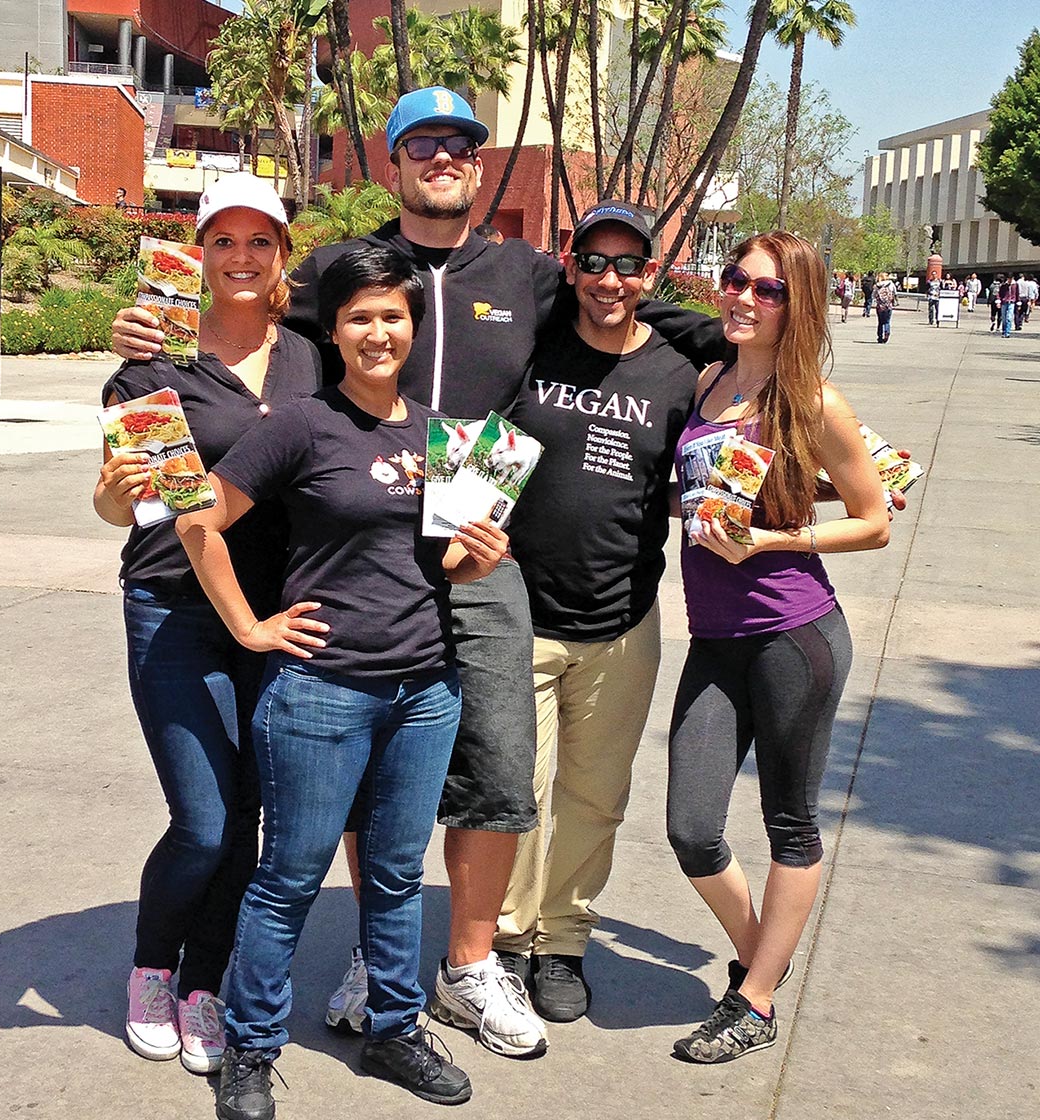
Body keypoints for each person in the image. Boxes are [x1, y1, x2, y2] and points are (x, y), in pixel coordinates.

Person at [111, 85, 720, 1060]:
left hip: (474, 509)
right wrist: (146, 333)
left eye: (460, 147)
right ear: (392, 163)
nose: (443, 158)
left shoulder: (526, 271)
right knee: (358, 765)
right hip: (353, 537)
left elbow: (639, 308)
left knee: (497, 761)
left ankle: (470, 962)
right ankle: (367, 951)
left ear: (479, 168)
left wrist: (749, 344)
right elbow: (237, 306)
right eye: (423, 144)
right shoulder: (334, 272)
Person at [177, 246, 510, 1117]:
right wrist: (250, 627)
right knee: (289, 875)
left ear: (413, 327)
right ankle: (251, 1047)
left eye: (392, 316)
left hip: (425, 690)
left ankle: (395, 1027)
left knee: (396, 875)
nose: (377, 331)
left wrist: (478, 560)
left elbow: (443, 564)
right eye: (359, 316)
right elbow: (199, 520)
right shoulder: (302, 424)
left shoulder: (441, 433)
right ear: (334, 330)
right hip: (322, 690)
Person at [93, 174, 323, 1076]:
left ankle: (204, 982)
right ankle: (152, 967)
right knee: (202, 821)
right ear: (197, 252)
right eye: (222, 240)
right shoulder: (152, 361)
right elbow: (123, 505)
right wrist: (112, 497)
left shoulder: (309, 355)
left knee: (250, 817)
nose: (240, 256)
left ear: (281, 252)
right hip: (173, 609)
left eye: (258, 240)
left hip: (279, 613)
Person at [489, 200, 717, 1023]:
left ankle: (562, 941)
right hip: (516, 613)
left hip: (622, 623)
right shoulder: (531, 349)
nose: (611, 279)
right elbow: (483, 452)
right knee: (513, 789)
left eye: (630, 264)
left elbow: (750, 411)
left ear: (652, 273)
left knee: (594, 795)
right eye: (595, 262)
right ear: (569, 264)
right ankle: (505, 940)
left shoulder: (676, 373)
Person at [667, 231, 890, 1064]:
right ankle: (768, 952)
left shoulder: (816, 403)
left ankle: (754, 1000)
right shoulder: (707, 381)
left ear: (797, 308)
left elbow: (873, 522)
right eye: (734, 282)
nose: (741, 298)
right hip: (715, 639)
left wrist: (774, 543)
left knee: (789, 824)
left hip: (795, 636)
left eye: (766, 291)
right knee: (691, 828)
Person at [873, 271, 896, 343]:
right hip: (888, 306)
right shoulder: (891, 284)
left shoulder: (877, 285)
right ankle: (887, 332)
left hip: (880, 306)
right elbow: (895, 293)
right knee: (887, 321)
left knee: (880, 322)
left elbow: (874, 295)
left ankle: (880, 337)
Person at [999, 274, 1017, 338]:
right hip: (1004, 302)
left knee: (1009, 318)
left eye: (1011, 279)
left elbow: (1017, 293)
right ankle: (1004, 331)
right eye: (1009, 279)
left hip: (1012, 302)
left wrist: (1018, 302)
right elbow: (1000, 294)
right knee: (1004, 318)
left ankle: (1007, 332)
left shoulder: (1015, 285)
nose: (1010, 280)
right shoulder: (1004, 285)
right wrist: (999, 301)